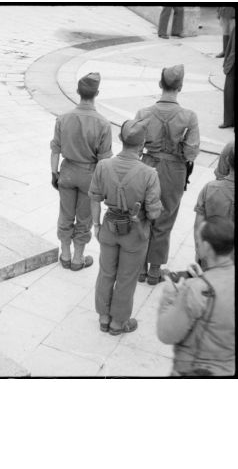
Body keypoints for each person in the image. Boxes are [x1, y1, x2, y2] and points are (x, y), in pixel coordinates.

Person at [89, 119, 162, 335]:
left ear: (120, 139)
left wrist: (96, 225)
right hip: (135, 232)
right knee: (127, 277)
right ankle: (118, 323)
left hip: (109, 226)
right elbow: (154, 212)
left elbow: (94, 198)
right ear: (142, 145)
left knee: (106, 272)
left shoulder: (103, 166)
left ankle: (103, 317)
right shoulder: (149, 174)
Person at [135, 64, 200, 284]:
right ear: (180, 86)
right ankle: (154, 271)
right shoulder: (189, 116)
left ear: (160, 84)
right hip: (174, 171)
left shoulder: (144, 113)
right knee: (165, 219)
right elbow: (192, 152)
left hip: (147, 166)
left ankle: (140, 269)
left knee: (143, 216)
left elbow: (134, 146)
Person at [157, 218, 235, 376]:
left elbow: (166, 333)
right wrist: (204, 276)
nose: (197, 243)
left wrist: (169, 295)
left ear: (207, 246)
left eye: (198, 240)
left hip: (196, 370)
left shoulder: (197, 289)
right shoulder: (208, 282)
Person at [50, 72, 112, 271]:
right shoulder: (103, 123)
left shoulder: (63, 118)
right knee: (84, 217)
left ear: (78, 92)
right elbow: (104, 160)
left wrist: (54, 173)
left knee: (65, 214)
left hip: (67, 170)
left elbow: (55, 149)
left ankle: (65, 254)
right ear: (97, 93)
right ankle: (78, 258)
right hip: (89, 175)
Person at [194, 142, 234, 263]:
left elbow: (198, 225)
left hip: (211, 255)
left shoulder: (210, 188)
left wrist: (199, 251)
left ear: (227, 160)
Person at [220, 26, 235, 129]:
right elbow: (230, 46)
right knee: (229, 91)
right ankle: (228, 120)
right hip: (233, 62)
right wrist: (226, 62)